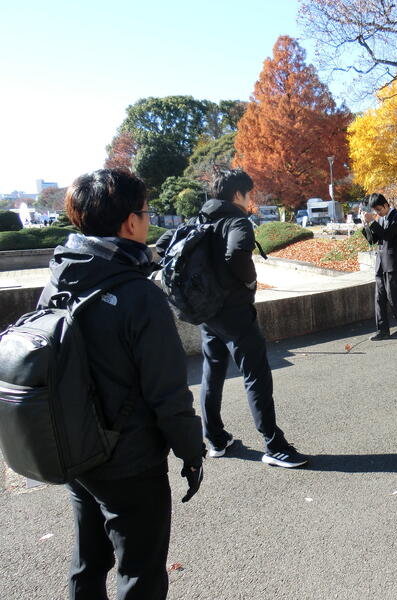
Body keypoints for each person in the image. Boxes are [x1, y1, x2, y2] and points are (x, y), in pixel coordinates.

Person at [39, 169, 205, 600]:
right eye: (146, 213)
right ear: (131, 222)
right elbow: (168, 393)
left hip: (76, 447)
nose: (148, 221)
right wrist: (191, 451)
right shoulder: (139, 295)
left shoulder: (60, 275)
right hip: (129, 460)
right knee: (140, 572)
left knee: (88, 561)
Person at [174, 169, 308, 468]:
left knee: (213, 372)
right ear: (238, 194)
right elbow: (236, 254)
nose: (250, 200)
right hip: (234, 312)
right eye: (248, 194)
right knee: (256, 375)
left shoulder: (198, 220)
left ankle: (216, 439)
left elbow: (165, 247)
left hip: (207, 312)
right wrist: (248, 283)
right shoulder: (237, 221)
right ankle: (274, 446)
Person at [361, 193, 397, 341]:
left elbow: (388, 235)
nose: (378, 212)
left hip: (393, 262)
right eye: (375, 210)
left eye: (379, 209)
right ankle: (382, 330)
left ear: (385, 205)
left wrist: (373, 221)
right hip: (380, 262)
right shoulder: (380, 218)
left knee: (393, 296)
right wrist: (366, 224)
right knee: (379, 297)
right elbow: (373, 239)